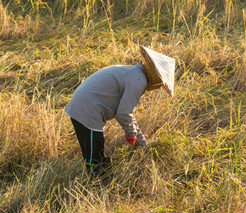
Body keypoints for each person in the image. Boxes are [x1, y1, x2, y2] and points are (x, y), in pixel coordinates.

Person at [65, 45, 175, 176]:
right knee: (94, 157)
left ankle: (104, 175)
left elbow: (127, 113)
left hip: (84, 105)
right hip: (86, 109)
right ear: (156, 77)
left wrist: (140, 140)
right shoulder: (138, 80)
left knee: (97, 147)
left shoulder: (134, 73)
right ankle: (95, 185)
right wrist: (132, 135)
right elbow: (123, 113)